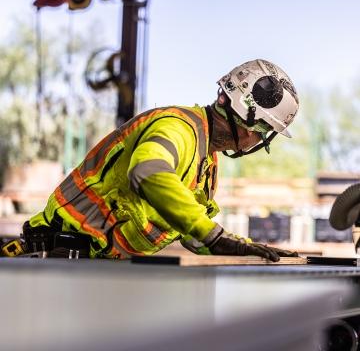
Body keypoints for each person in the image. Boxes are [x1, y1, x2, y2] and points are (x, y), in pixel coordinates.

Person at [1, 59, 299, 261]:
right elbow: (147, 170)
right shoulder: (178, 128)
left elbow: (194, 233)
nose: (258, 142)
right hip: (53, 261)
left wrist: (246, 249)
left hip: (86, 267)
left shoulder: (205, 160)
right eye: (264, 134)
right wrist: (213, 235)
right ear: (250, 125)